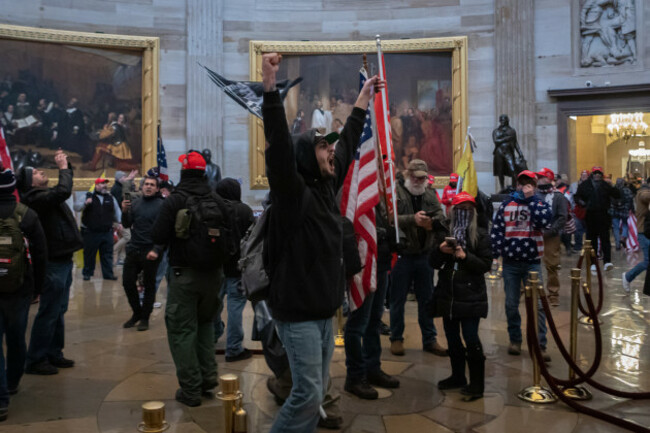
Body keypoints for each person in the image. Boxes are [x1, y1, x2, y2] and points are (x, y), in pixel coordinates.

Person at [261, 52, 380, 433]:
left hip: (324, 313)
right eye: (322, 148)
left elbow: (346, 142)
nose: (332, 152)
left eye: (330, 148)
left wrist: (363, 99)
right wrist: (269, 87)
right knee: (308, 394)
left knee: (313, 396)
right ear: (306, 158)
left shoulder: (326, 186)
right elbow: (279, 145)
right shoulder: (292, 194)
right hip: (297, 314)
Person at [151, 151, 227, 407]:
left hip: (185, 275)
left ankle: (191, 389)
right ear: (204, 172)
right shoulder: (216, 198)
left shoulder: (175, 200)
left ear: (183, 172)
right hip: (214, 276)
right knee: (206, 326)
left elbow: (158, 233)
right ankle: (208, 380)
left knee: (182, 330)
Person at [18, 150, 83, 375]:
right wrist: (63, 167)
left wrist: (68, 167)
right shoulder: (34, 199)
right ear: (29, 182)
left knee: (59, 309)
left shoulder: (44, 195)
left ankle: (54, 352)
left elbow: (61, 191)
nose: (41, 172)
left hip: (63, 258)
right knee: (49, 310)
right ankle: (36, 359)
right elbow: (64, 190)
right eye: (35, 172)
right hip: (52, 262)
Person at [429, 192, 490, 401]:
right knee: (452, 338)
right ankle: (457, 376)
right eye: (460, 209)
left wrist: (466, 257)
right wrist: (441, 250)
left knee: (471, 338)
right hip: (448, 294)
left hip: (472, 294)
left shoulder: (481, 234)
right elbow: (433, 263)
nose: (464, 212)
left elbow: (485, 265)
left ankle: (477, 384)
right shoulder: (445, 231)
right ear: (452, 211)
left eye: (468, 209)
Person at [0, 168, 46, 420]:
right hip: (20, 288)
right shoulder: (27, 215)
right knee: (16, 337)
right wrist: (37, 288)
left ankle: (0, 401)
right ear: (12, 189)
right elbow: (40, 255)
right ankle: (12, 382)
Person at [389, 159, 447, 357]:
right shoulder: (396, 191)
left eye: (422, 178)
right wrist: (412, 220)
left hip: (424, 254)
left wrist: (433, 222)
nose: (418, 181)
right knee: (397, 300)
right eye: (415, 177)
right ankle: (396, 338)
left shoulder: (429, 192)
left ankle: (429, 339)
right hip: (402, 255)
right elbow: (390, 218)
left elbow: (441, 215)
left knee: (427, 299)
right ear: (408, 175)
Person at [491, 170, 551, 360]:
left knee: (538, 306)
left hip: (532, 262)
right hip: (510, 263)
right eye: (522, 183)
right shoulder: (507, 205)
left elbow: (544, 221)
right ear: (517, 184)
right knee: (510, 304)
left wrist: (531, 199)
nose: (525, 186)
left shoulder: (540, 203)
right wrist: (495, 256)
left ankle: (540, 345)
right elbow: (497, 231)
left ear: (534, 185)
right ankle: (515, 340)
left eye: (529, 183)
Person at [343, 201, 400, 400]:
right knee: (357, 324)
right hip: (364, 265)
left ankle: (372, 368)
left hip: (381, 263)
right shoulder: (357, 192)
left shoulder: (380, 198)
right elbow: (353, 224)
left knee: (374, 322)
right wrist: (382, 233)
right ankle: (355, 376)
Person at [212, 178, 255, 362]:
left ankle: (213, 335)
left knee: (213, 305)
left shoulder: (213, 210)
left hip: (216, 267)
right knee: (236, 309)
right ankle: (234, 348)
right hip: (238, 267)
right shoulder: (244, 210)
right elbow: (252, 239)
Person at [120, 175, 164, 332]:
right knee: (127, 282)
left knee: (149, 285)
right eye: (146, 184)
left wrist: (157, 250)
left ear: (157, 188)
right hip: (134, 248)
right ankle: (137, 313)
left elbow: (164, 231)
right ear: (142, 186)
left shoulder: (161, 205)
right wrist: (124, 211)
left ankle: (145, 317)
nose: (149, 187)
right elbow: (126, 223)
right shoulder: (136, 202)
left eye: (152, 184)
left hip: (150, 249)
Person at [575, 166, 620, 272]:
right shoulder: (585, 185)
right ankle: (592, 262)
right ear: (592, 174)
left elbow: (617, 195)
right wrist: (583, 203)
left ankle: (607, 261)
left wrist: (612, 185)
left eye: (599, 173)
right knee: (591, 240)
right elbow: (577, 197)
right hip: (590, 216)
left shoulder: (606, 185)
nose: (597, 175)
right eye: (595, 173)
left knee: (605, 239)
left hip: (604, 215)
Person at [76, 177, 121, 281]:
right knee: (89, 254)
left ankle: (108, 274)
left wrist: (120, 222)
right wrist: (85, 203)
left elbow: (116, 211)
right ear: (96, 185)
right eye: (101, 184)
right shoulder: (88, 196)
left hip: (107, 231)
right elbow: (76, 207)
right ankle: (87, 273)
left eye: (105, 183)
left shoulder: (111, 197)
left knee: (107, 254)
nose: (104, 185)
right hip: (91, 232)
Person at [536, 168, 568, 307]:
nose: (539, 179)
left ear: (549, 179)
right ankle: (527, 290)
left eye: (542, 177)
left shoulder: (558, 196)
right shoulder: (534, 195)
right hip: (534, 234)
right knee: (530, 264)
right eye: (538, 177)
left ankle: (553, 293)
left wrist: (552, 230)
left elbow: (562, 217)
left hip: (551, 235)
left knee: (552, 266)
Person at [622, 177, 650, 294]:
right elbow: (645, 196)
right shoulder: (642, 193)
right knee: (647, 262)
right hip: (644, 232)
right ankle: (628, 276)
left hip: (646, 231)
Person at [611, 178, 634, 251]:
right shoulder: (627, 190)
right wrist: (631, 209)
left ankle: (617, 244)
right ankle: (623, 237)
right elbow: (630, 200)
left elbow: (609, 200)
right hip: (624, 210)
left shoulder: (613, 190)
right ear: (623, 183)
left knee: (616, 228)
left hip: (615, 211)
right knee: (625, 225)